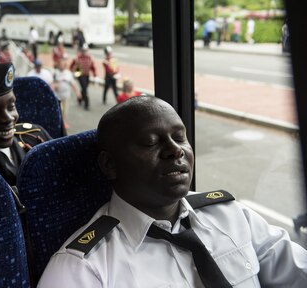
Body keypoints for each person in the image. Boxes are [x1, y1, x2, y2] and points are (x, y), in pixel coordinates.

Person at [38, 96, 307, 287]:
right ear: (110, 164)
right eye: (150, 142)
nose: (175, 150)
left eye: (180, 138)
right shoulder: (83, 269)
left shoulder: (231, 216)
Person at [53, 55, 81, 129]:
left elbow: (73, 84)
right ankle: (59, 123)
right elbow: (52, 84)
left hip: (66, 96)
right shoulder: (55, 73)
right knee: (60, 110)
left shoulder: (68, 73)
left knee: (65, 111)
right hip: (58, 96)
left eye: (63, 64)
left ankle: (64, 122)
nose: (62, 66)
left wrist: (77, 92)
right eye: (61, 64)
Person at [70, 43, 97, 110]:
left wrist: (95, 74)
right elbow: (71, 66)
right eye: (83, 50)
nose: (84, 52)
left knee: (84, 88)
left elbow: (92, 67)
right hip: (80, 75)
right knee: (84, 88)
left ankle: (80, 98)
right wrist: (72, 72)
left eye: (85, 50)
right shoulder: (77, 57)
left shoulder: (90, 58)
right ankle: (87, 103)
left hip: (87, 75)